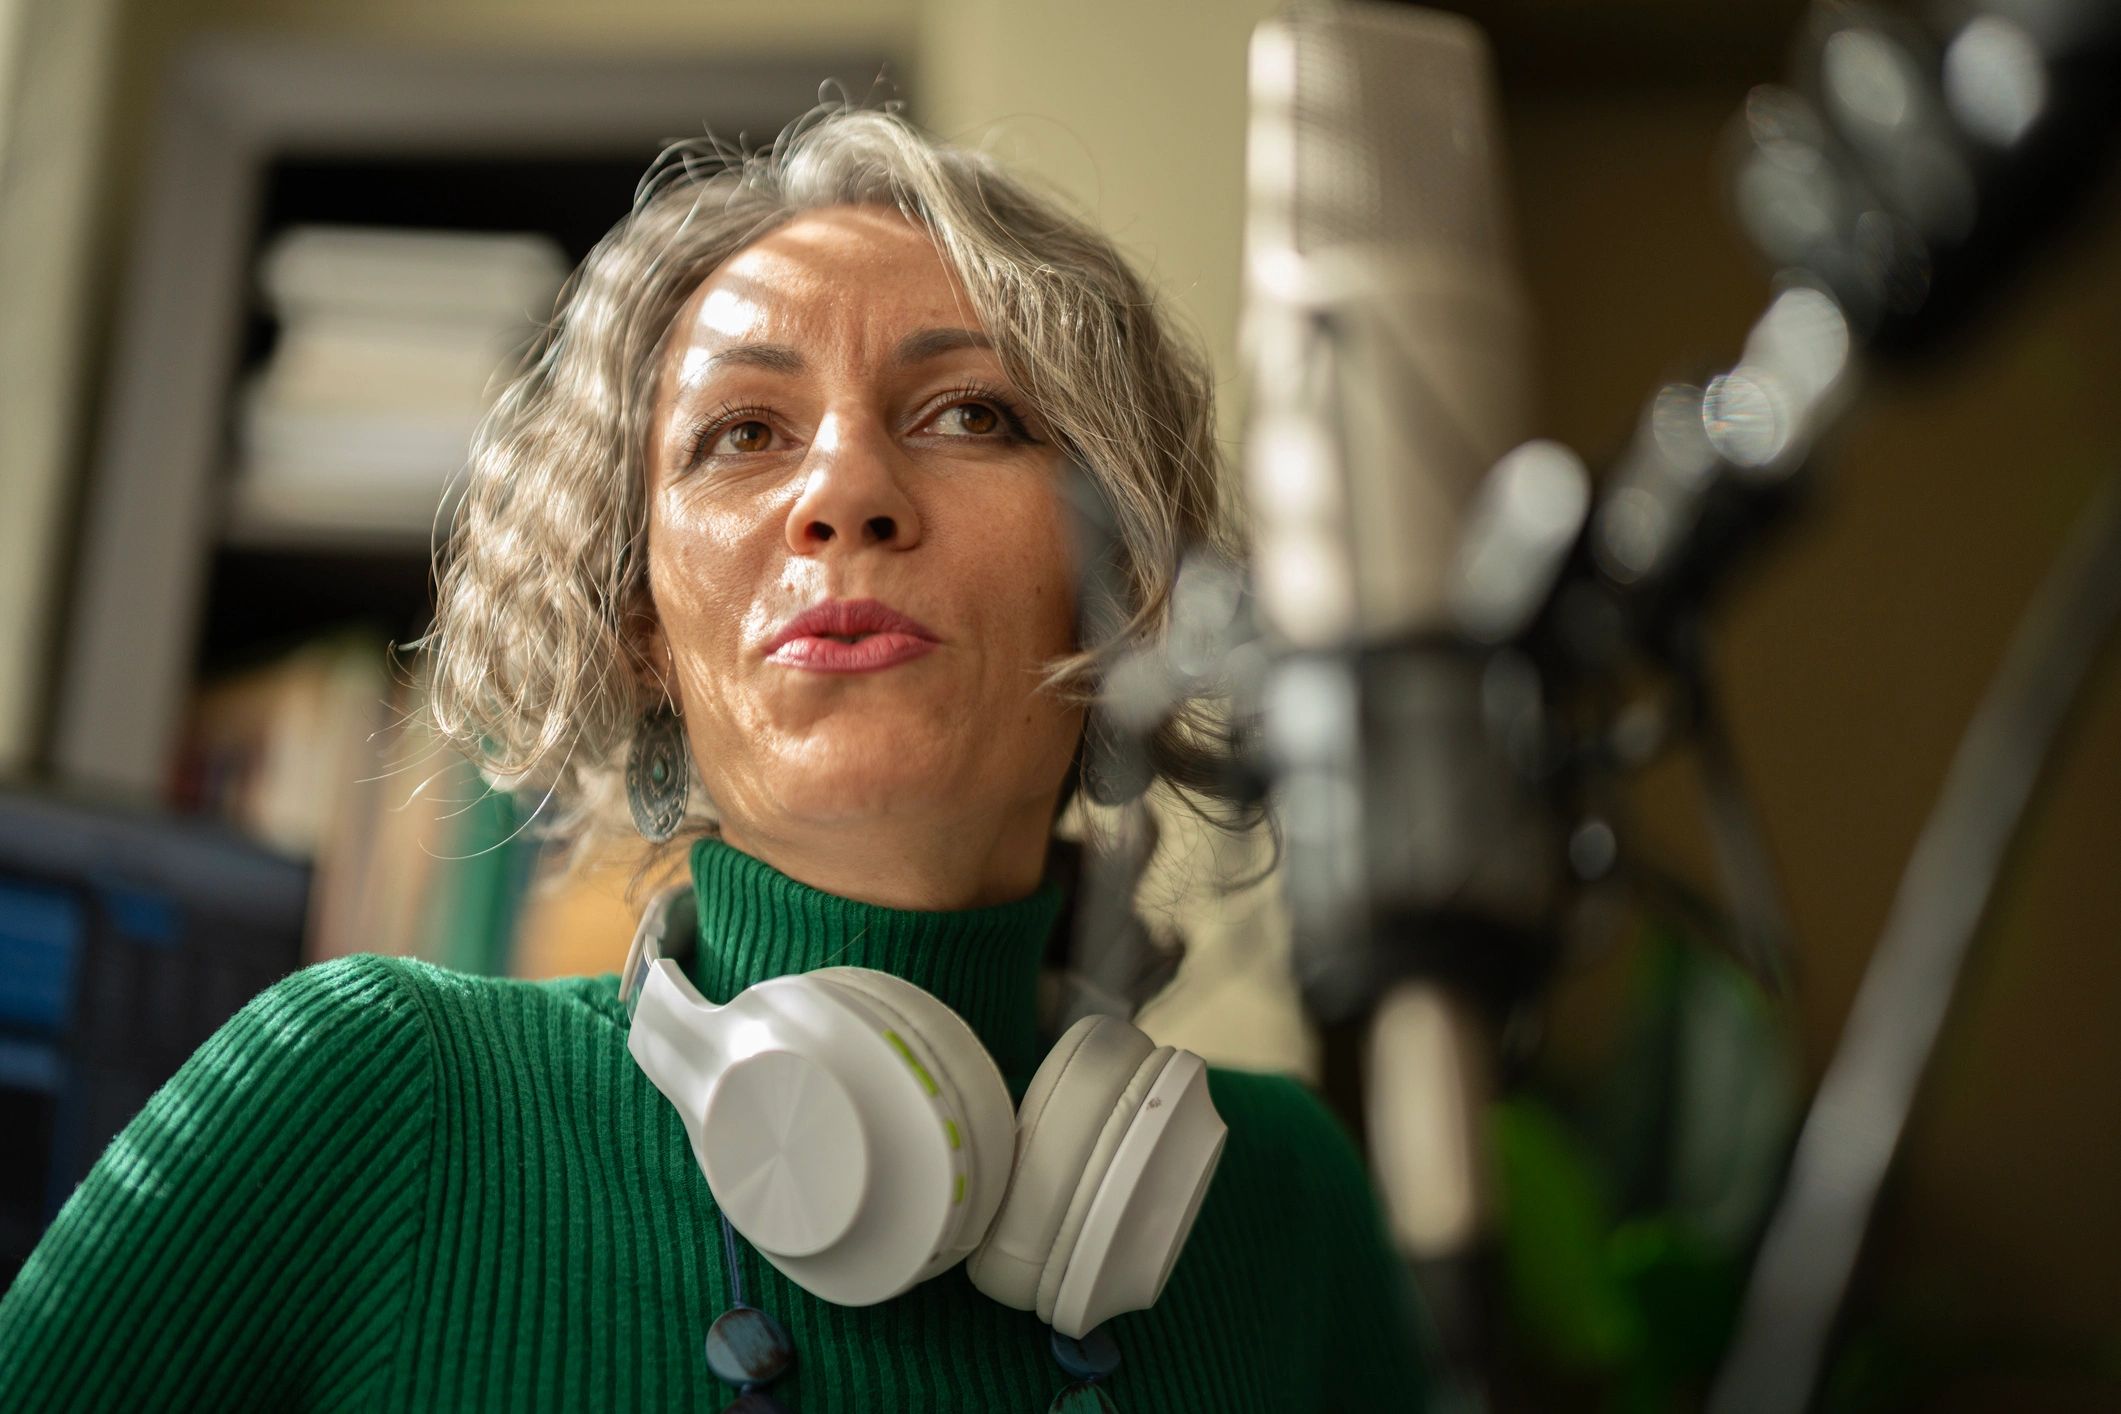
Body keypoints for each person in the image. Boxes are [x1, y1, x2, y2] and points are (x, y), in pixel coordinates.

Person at [0, 108, 1428, 1411]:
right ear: (636, 620)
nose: (846, 492)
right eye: (743, 434)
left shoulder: (1290, 1202)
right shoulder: (361, 1090)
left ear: (1125, 585)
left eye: (970, 414)